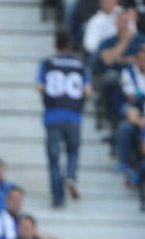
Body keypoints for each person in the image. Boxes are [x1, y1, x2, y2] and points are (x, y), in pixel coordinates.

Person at [37, 32, 91, 209]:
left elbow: (39, 86)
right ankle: (71, 176)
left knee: (53, 159)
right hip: (73, 115)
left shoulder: (47, 64)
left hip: (53, 115)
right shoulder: (80, 66)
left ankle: (58, 199)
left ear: (56, 46)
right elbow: (88, 90)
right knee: (73, 151)